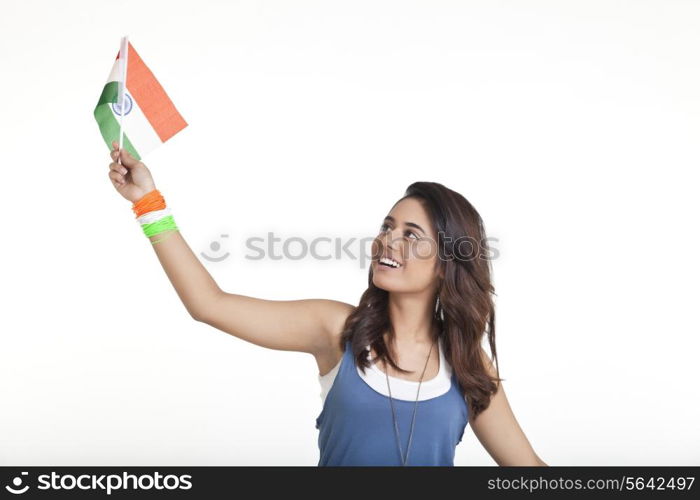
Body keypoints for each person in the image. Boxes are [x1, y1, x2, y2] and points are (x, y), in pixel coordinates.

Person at [107, 142, 548, 466]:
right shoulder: (337, 329)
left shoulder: (468, 364)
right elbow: (209, 303)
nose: (387, 240)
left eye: (411, 235)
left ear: (446, 263)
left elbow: (527, 471)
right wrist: (148, 202)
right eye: (387, 226)